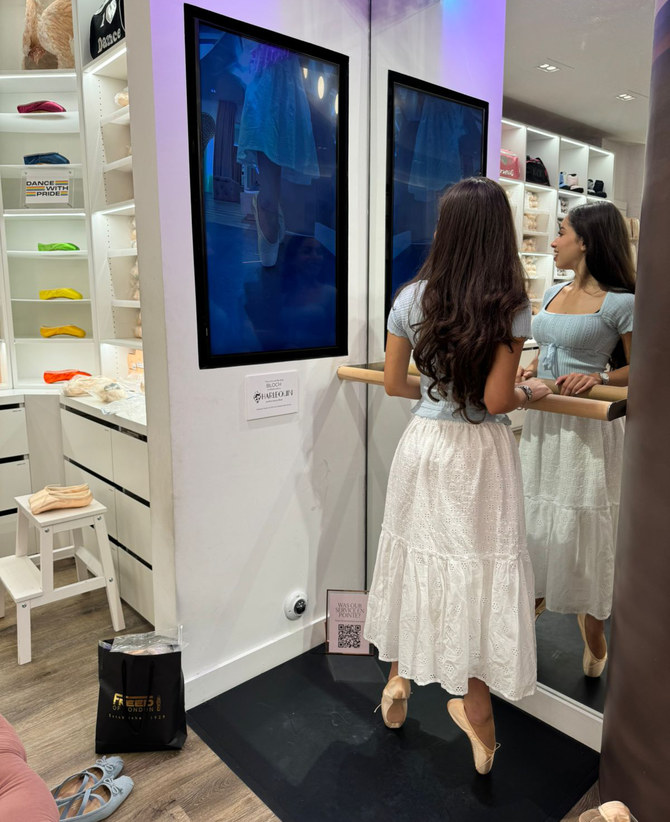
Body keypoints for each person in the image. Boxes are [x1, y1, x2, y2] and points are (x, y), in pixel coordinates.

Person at [363, 177, 551, 774]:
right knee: (475, 569)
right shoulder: (508, 305)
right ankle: (478, 716)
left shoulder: (411, 298)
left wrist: (438, 392)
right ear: (498, 233)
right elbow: (496, 400)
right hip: (478, 455)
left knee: (417, 556)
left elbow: (394, 384)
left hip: (424, 445)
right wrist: (534, 389)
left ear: (446, 230)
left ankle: (398, 681)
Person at [517, 202, 635, 677]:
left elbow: (641, 368)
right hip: (544, 424)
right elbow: (548, 349)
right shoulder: (551, 292)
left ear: (585, 241)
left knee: (585, 523)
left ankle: (593, 625)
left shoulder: (621, 302)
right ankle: (532, 602)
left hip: (588, 431)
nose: (553, 240)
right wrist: (531, 367)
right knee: (534, 515)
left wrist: (601, 375)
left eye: (561, 231)